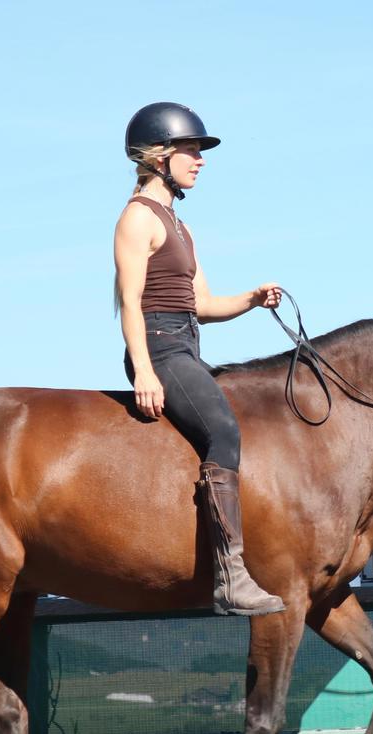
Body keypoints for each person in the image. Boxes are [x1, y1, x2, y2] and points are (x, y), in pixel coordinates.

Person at [113, 101, 285, 616]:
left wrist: (252, 300)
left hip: (186, 342)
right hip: (161, 348)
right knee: (224, 431)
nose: (200, 159)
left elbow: (204, 305)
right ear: (160, 156)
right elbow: (129, 302)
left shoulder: (180, 225)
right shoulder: (137, 218)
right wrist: (143, 368)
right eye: (191, 149)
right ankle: (230, 575)